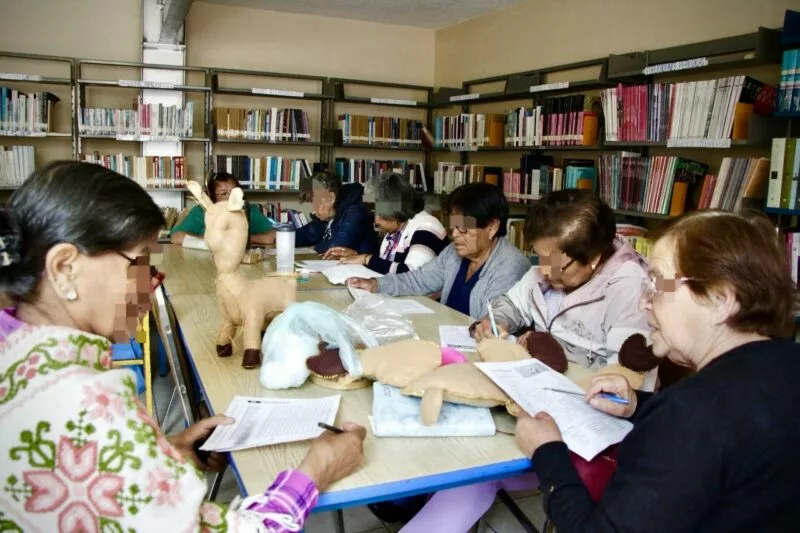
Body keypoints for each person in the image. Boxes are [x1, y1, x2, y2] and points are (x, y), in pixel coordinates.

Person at [0, 161, 367, 532]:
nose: (151, 283)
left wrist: (161, 451)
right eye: (139, 262)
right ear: (65, 268)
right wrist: (315, 471)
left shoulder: (19, 359)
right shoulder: (84, 406)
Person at [517, 209, 800, 532]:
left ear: (720, 299)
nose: (643, 303)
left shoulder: (688, 413)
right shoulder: (787, 364)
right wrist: (640, 405)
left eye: (658, 283)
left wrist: (547, 453)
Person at [397, 189, 659, 532]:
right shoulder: (552, 266)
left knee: (472, 455)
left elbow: (624, 387)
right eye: (539, 257)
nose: (544, 270)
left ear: (593, 258)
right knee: (464, 454)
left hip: (582, 427)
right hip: (534, 400)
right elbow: (513, 301)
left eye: (555, 263)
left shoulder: (629, 286)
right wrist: (498, 320)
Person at [348, 182, 530, 320]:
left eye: (464, 228)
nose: (455, 235)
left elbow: (490, 325)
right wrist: (376, 284)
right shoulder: (454, 253)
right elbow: (418, 280)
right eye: (453, 227)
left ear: (492, 227)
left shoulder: (509, 265)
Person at [337, 171, 448, 273]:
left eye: (380, 212)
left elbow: (412, 274)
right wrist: (358, 256)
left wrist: (366, 259)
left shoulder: (427, 227)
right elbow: (386, 265)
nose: (376, 220)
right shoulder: (396, 228)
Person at [170, 172, 276, 245]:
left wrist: (241, 240)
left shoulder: (249, 210)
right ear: (212, 197)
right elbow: (176, 237)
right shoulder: (201, 211)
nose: (231, 198)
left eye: (235, 192)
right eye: (224, 194)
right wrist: (213, 241)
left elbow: (271, 236)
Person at [295, 170, 377, 256]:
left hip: (363, 267)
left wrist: (314, 248)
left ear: (331, 198)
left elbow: (338, 246)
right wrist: (283, 237)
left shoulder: (355, 211)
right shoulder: (328, 215)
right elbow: (308, 233)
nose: (313, 210)